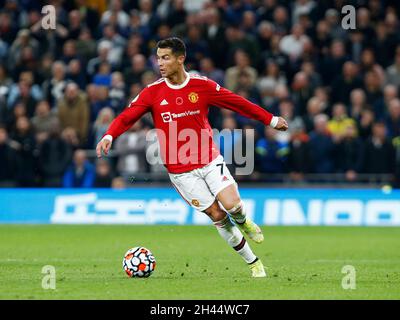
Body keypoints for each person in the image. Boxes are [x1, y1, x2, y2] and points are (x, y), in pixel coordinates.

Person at [96, 37, 288, 277]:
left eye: (165, 58)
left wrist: (270, 119)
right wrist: (109, 136)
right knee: (217, 215)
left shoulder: (202, 86)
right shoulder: (153, 92)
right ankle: (254, 263)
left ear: (180, 59)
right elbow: (127, 116)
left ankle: (244, 220)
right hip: (180, 171)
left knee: (232, 205)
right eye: (158, 58)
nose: (160, 64)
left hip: (208, 159)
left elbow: (237, 103)